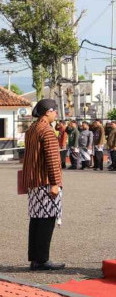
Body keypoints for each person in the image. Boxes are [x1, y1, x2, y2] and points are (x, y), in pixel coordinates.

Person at [20, 99, 64, 270]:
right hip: (46, 182)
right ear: (48, 112)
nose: (56, 115)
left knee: (36, 220)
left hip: (33, 181)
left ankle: (35, 258)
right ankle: (42, 259)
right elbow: (53, 159)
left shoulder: (31, 129)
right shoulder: (47, 130)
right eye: (55, 111)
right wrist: (55, 183)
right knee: (47, 219)